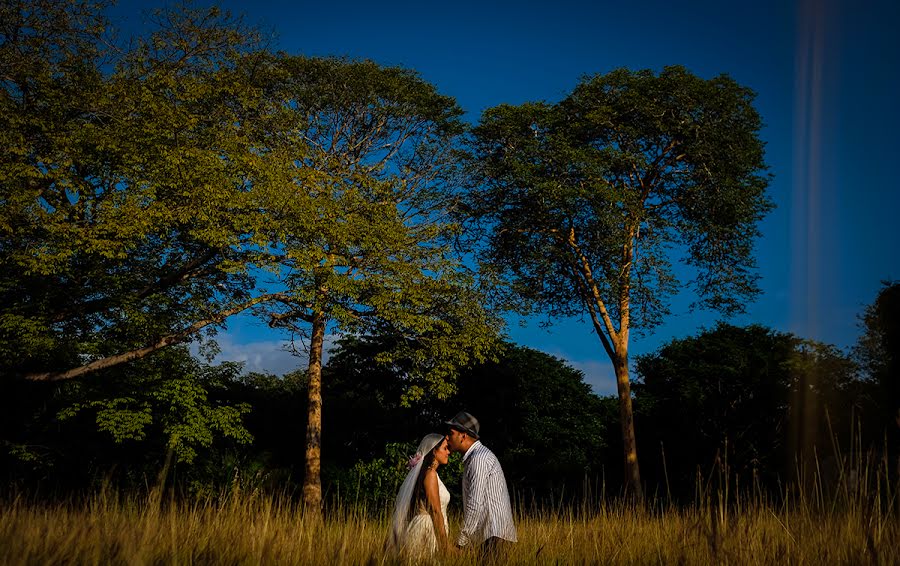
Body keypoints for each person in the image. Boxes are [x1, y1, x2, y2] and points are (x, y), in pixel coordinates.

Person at [445, 411, 517, 559]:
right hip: (491, 536)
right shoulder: (476, 457)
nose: (447, 437)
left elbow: (474, 504)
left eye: (451, 433)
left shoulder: (479, 459)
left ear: (463, 436)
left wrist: (460, 543)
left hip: (494, 537)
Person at [389, 433, 452, 558]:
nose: (448, 452)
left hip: (427, 528)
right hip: (427, 530)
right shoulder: (430, 475)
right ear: (434, 451)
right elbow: (435, 511)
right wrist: (445, 546)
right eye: (445, 448)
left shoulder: (428, 474)